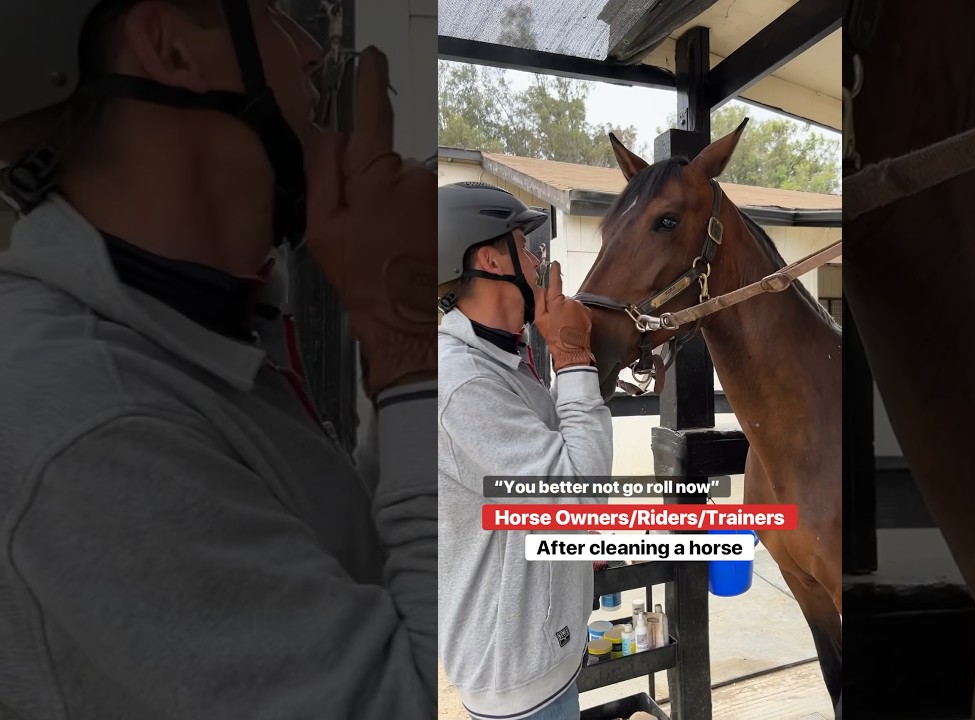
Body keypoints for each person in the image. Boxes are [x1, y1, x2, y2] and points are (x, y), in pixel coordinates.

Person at [0, 1, 438, 717]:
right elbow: (411, 698)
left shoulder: (194, 332)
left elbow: (355, 571)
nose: (309, 51)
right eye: (270, 10)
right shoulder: (91, 420)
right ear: (170, 49)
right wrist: (407, 337)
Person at [437, 181, 614, 720]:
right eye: (526, 243)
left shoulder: (499, 363)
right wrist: (575, 356)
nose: (539, 260)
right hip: (519, 683)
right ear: (491, 258)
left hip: (544, 660)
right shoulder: (463, 384)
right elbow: (579, 502)